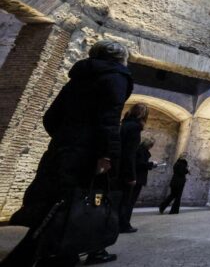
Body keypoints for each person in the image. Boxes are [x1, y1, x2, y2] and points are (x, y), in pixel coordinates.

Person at [1, 40, 133, 267]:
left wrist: (67, 139)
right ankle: (38, 257)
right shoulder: (116, 77)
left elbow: (50, 117)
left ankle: (62, 253)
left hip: (62, 150)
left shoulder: (78, 78)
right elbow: (109, 120)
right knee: (75, 205)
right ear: (121, 58)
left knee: (56, 204)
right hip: (88, 155)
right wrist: (107, 155)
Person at [118, 103, 150, 233]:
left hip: (117, 169)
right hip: (124, 172)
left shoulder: (124, 124)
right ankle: (121, 225)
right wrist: (131, 176)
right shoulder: (135, 128)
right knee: (125, 202)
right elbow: (129, 154)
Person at [130, 139, 157, 215]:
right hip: (137, 178)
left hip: (137, 177)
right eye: (151, 146)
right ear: (149, 145)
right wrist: (151, 164)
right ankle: (124, 222)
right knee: (131, 201)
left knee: (131, 200)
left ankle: (125, 222)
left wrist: (151, 165)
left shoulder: (141, 150)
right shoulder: (141, 151)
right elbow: (140, 164)